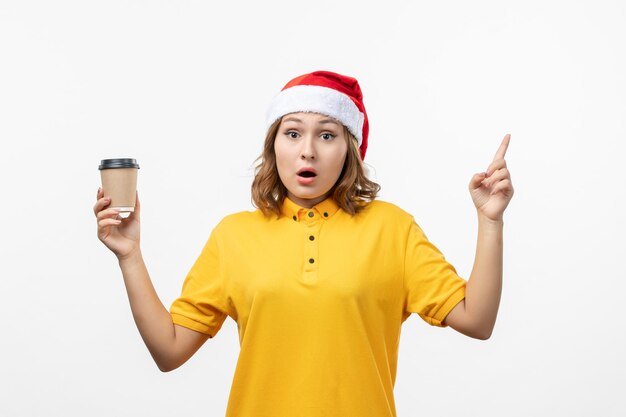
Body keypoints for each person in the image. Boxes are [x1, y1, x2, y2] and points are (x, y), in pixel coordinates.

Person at [94, 70, 514, 417]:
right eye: (292, 134)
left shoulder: (393, 229)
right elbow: (168, 351)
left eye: (327, 135)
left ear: (349, 150)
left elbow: (476, 321)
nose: (307, 151)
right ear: (273, 146)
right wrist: (130, 255)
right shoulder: (234, 235)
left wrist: (489, 220)